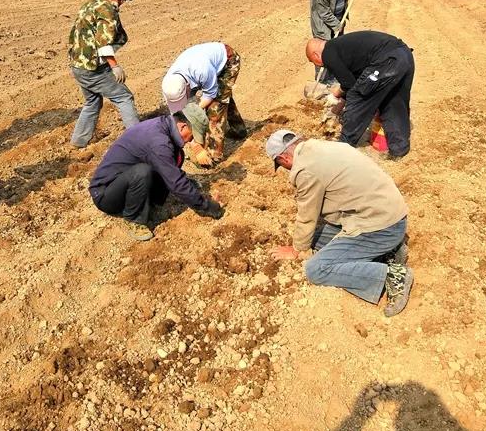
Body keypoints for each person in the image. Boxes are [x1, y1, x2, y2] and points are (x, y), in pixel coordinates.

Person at [265, 129, 412, 317]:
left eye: (280, 165)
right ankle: (388, 252)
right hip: (388, 216)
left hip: (382, 227)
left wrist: (296, 250)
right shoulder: (321, 147)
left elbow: (307, 215)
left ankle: (392, 276)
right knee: (314, 237)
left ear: (283, 158)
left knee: (316, 269)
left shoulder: (305, 170)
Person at [89, 112, 224, 241]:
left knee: (177, 155)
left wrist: (182, 183)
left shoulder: (164, 125)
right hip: (105, 194)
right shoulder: (159, 142)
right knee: (142, 172)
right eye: (193, 135)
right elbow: (175, 182)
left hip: (125, 181)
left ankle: (155, 197)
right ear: (182, 126)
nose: (192, 140)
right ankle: (133, 219)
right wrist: (208, 206)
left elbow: (168, 165)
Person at [306, 31, 414, 158]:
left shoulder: (328, 53)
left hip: (386, 61)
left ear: (316, 55)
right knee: (393, 102)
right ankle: (399, 150)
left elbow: (350, 87)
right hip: (404, 56)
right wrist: (340, 102)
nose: (318, 65)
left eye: (313, 61)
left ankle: (344, 146)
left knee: (358, 97)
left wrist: (336, 95)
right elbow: (356, 81)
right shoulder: (342, 47)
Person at [68, 0, 140, 148]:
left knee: (92, 102)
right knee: (124, 97)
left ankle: (78, 141)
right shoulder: (106, 9)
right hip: (92, 68)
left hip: (78, 65)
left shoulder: (90, 4)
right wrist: (114, 66)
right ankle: (139, 141)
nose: (122, 1)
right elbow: (103, 41)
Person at [161, 41, 247, 166]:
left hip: (227, 61)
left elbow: (210, 94)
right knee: (223, 96)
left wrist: (196, 110)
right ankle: (239, 130)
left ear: (187, 88)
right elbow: (177, 114)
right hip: (201, 68)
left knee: (216, 106)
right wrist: (195, 144)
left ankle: (214, 155)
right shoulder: (169, 84)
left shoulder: (201, 70)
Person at [310, 0, 365, 85]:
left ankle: (335, 76)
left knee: (337, 49)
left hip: (338, 18)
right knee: (324, 51)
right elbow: (323, 12)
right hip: (323, 23)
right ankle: (322, 82)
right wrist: (337, 25)